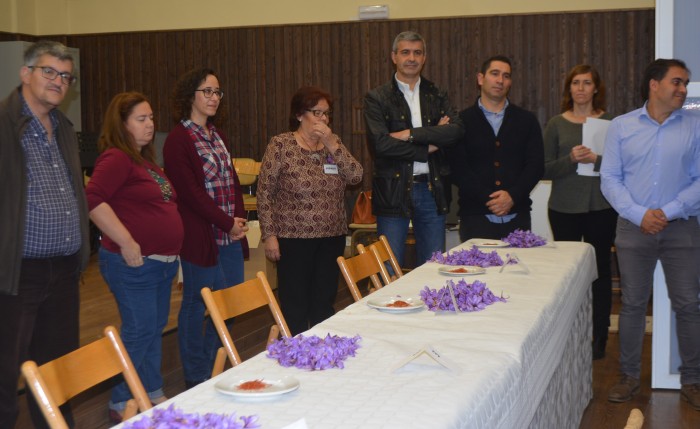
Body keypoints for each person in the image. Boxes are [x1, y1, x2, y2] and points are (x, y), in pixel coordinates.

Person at [0, 40, 90, 428]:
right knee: (5, 369)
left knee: (58, 370)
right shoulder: (4, 126)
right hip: (17, 273)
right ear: (26, 74)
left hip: (64, 269)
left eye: (65, 76)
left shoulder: (64, 128)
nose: (58, 81)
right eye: (49, 72)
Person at [601, 58, 700, 409]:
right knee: (631, 305)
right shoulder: (621, 126)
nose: (683, 89)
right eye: (676, 82)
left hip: (682, 228)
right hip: (633, 227)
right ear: (653, 85)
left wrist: (667, 212)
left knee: (689, 305)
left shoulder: (694, 125)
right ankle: (628, 377)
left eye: (685, 83)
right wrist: (641, 214)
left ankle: (692, 379)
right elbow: (610, 179)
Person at [86, 92, 184, 422]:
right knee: (140, 329)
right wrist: (126, 241)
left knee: (152, 328)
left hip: (161, 264)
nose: (150, 125)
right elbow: (93, 198)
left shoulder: (146, 162)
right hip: (133, 265)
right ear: (122, 124)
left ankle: (151, 391)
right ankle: (121, 400)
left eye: (151, 118)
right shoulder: (116, 158)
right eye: (141, 119)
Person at [163, 68, 248, 388]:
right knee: (197, 305)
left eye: (217, 92)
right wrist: (227, 222)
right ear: (190, 96)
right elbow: (190, 194)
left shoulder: (217, 135)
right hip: (204, 239)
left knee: (227, 306)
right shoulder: (178, 140)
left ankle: (218, 365)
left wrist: (238, 222)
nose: (214, 98)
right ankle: (196, 374)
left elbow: (232, 184)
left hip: (229, 235)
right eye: (207, 91)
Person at [258, 86, 363, 335]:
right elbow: (264, 192)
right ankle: (294, 354)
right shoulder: (281, 145)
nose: (323, 119)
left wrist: (331, 143)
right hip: (293, 239)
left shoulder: (333, 145)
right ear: (299, 115)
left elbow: (356, 175)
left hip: (331, 237)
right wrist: (269, 234)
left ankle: (322, 354)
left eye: (326, 114)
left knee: (323, 302)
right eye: (317, 112)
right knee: (295, 304)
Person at [364, 30, 464, 267]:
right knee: (389, 267)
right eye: (405, 52)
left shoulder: (437, 94)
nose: (412, 58)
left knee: (433, 266)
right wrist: (428, 145)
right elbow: (381, 145)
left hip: (433, 189)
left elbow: (456, 131)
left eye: (417, 53)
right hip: (393, 190)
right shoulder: (377, 97)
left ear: (424, 57)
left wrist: (410, 134)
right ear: (394, 57)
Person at [543, 64, 617, 360]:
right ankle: (570, 335)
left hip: (601, 208)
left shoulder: (611, 123)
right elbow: (543, 168)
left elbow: (621, 167)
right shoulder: (556, 124)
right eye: (576, 83)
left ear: (596, 88)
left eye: (587, 83)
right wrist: (570, 159)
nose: (582, 88)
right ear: (569, 89)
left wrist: (597, 159)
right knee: (569, 276)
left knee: (600, 272)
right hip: (564, 209)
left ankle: (600, 335)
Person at [451, 55, 544, 241]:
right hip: (475, 216)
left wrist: (512, 197)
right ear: (480, 78)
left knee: (518, 269)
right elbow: (458, 169)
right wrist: (491, 199)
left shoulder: (527, 120)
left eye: (506, 76)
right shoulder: (460, 122)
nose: (500, 80)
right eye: (494, 73)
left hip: (518, 214)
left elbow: (536, 166)